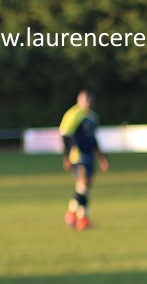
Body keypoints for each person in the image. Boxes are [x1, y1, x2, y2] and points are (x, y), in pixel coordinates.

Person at [59, 90, 108, 230]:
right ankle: (80, 217)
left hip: (89, 155)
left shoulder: (93, 117)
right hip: (77, 155)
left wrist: (101, 157)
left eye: (90, 100)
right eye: (86, 100)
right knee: (84, 182)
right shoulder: (73, 115)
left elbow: (93, 139)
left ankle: (76, 214)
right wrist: (66, 157)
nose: (88, 103)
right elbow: (65, 136)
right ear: (79, 100)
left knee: (84, 187)